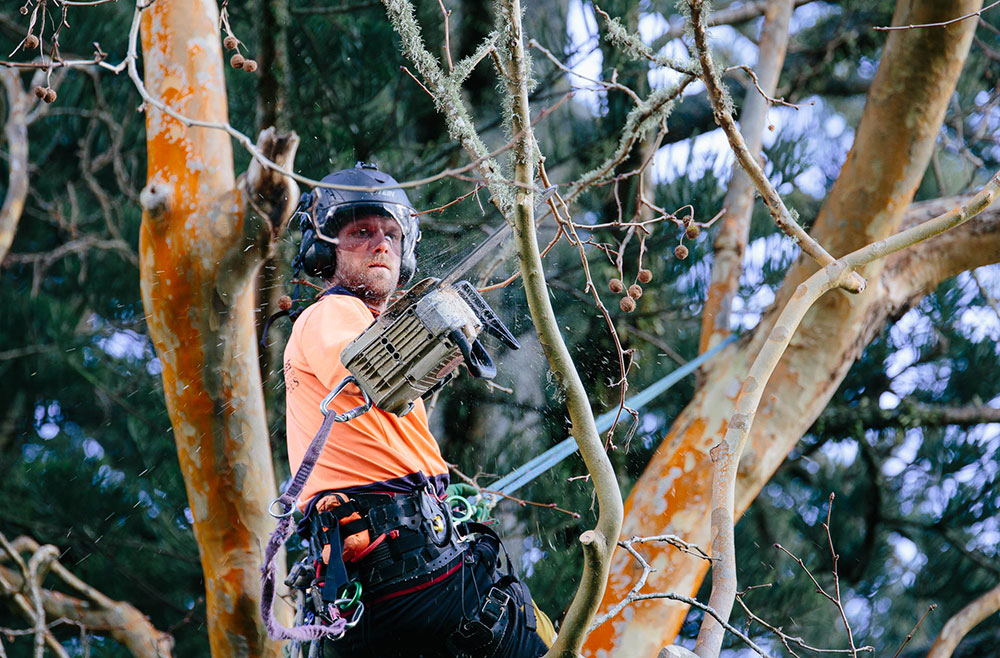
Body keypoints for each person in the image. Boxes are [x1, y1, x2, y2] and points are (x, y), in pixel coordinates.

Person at [282, 163, 554, 658]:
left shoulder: (366, 326)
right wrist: (438, 324)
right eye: (360, 232)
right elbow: (369, 369)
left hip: (375, 586)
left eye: (389, 234)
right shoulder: (332, 313)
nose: (380, 244)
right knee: (526, 634)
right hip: (403, 571)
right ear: (326, 247)